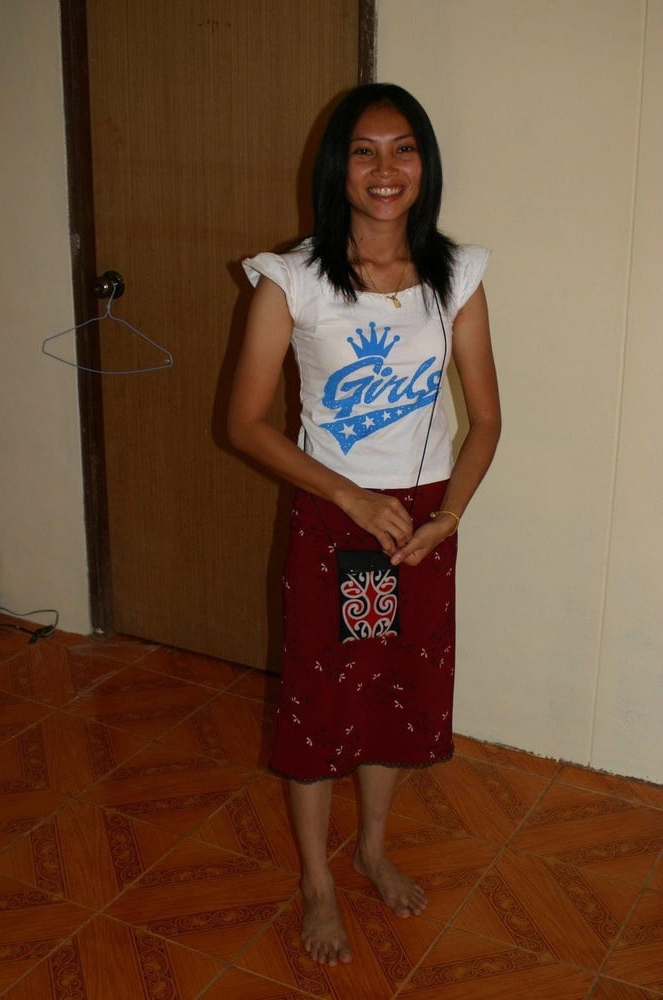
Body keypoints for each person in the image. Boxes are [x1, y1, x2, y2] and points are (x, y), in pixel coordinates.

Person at [227, 83, 500, 967]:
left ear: (424, 163)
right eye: (364, 151)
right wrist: (348, 497)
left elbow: (485, 419)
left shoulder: (456, 276)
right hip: (338, 523)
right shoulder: (293, 279)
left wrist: (447, 515)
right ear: (337, 169)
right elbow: (246, 423)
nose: (386, 169)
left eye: (403, 148)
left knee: (392, 693)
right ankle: (316, 880)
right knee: (323, 702)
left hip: (421, 526)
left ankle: (372, 849)